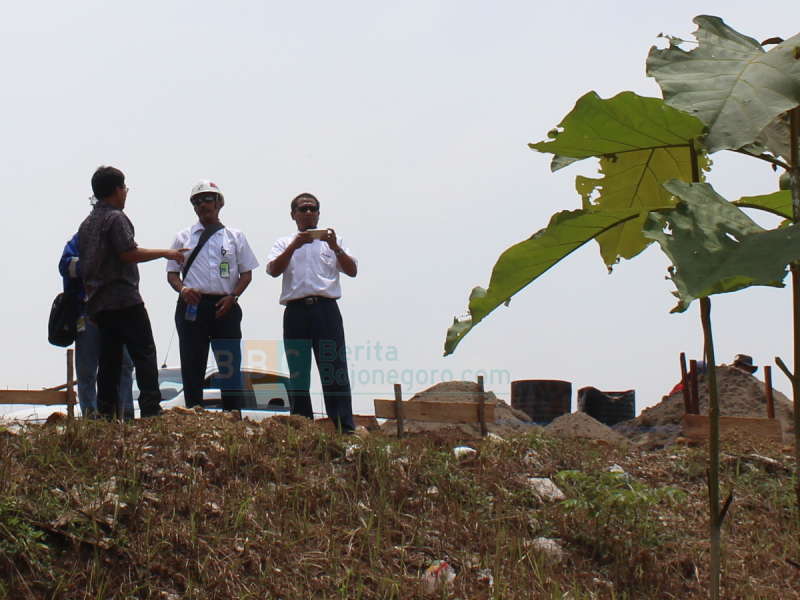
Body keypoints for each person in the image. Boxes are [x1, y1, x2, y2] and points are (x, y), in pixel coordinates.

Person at [78, 166, 187, 419]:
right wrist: (166, 253)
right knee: (144, 352)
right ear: (117, 190)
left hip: (100, 304)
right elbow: (128, 253)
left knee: (109, 361)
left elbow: (84, 266)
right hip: (124, 299)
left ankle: (106, 412)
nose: (126, 193)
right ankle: (150, 408)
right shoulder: (116, 218)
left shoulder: (86, 225)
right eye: (124, 188)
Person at [266, 192, 358, 433]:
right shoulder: (284, 243)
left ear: (318, 212)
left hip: (326, 309)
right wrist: (295, 245)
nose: (308, 213)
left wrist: (335, 246)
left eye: (312, 209)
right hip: (295, 310)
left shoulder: (332, 243)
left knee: (334, 366)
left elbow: (352, 270)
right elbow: (273, 270)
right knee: (298, 368)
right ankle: (302, 423)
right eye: (303, 209)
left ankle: (344, 426)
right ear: (293, 215)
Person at [166, 181, 259, 411]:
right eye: (197, 201)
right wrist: (183, 290)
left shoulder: (234, 237)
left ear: (219, 203)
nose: (202, 204)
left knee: (228, 363)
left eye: (207, 199)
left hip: (224, 305)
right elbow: (171, 274)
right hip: (192, 306)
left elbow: (246, 273)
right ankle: (194, 411)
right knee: (192, 362)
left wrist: (233, 297)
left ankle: (232, 413)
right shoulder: (183, 237)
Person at [59, 231, 135, 419]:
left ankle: (124, 413)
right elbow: (65, 265)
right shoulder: (81, 239)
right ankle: (90, 416)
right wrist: (94, 264)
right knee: (87, 368)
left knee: (125, 363)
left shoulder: (120, 238)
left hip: (118, 309)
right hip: (88, 312)